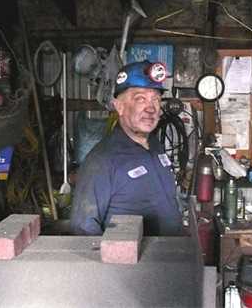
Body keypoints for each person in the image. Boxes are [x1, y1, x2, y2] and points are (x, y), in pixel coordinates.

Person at [70, 61, 183, 236]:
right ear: (119, 106)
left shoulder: (155, 146)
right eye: (140, 99)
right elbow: (83, 227)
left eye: (156, 99)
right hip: (132, 262)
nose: (151, 108)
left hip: (170, 258)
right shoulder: (102, 161)